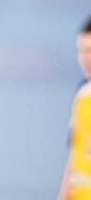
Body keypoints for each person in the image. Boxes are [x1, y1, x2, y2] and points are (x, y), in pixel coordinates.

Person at [58, 17, 91, 200]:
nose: (85, 58)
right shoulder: (82, 95)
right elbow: (74, 156)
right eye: (81, 51)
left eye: (90, 50)